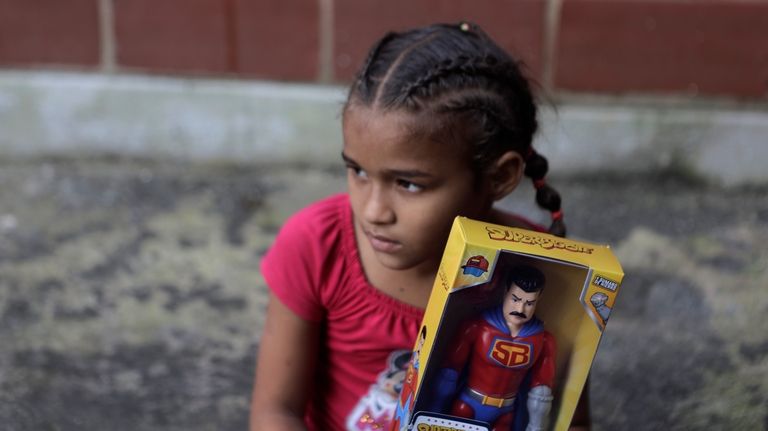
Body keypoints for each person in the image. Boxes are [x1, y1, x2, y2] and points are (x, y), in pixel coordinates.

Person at [249, 21, 583, 431]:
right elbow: (274, 412)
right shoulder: (318, 245)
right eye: (357, 171)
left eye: (409, 184)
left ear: (498, 178)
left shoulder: (538, 274)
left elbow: (566, 420)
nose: (373, 211)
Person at [429, 265, 556, 431]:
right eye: (515, 299)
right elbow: (450, 371)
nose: (520, 309)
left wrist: (535, 426)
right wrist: (435, 410)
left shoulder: (544, 340)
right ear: (505, 293)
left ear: (538, 301)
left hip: (505, 413)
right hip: (468, 406)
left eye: (529, 303)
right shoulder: (476, 327)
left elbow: (541, 390)